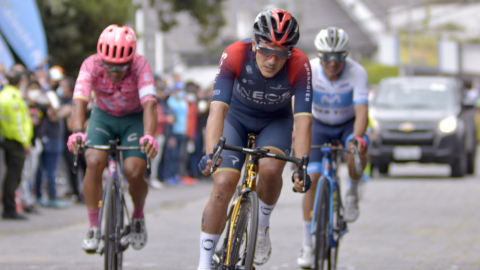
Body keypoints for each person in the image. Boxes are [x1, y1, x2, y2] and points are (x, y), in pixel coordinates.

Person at [196, 8, 313, 270]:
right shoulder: (235, 53)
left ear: (291, 52)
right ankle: (204, 264)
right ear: (254, 43)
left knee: (271, 169)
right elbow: (217, 110)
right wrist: (210, 153)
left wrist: (301, 166)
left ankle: (261, 226)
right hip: (235, 119)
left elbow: (303, 119)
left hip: (275, 123)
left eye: (282, 52)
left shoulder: (300, 64)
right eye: (266, 50)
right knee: (223, 184)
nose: (272, 59)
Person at [67, 24, 158, 253]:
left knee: (134, 170)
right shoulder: (90, 64)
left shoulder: (140, 65)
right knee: (94, 161)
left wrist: (149, 135)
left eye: (121, 67)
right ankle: (93, 225)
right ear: (101, 59)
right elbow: (79, 100)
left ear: (131, 60)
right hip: (103, 116)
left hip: (133, 118)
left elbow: (149, 105)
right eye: (109, 66)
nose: (115, 72)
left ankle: (137, 215)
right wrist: (77, 130)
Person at [296, 27, 369, 268]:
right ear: (319, 56)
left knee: (357, 150)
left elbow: (361, 112)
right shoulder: (310, 70)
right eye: (326, 56)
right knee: (312, 178)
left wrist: (355, 140)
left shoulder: (357, 73)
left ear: (345, 56)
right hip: (318, 125)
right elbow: (299, 108)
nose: (332, 63)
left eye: (338, 57)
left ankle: (352, 191)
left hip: (347, 124)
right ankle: (307, 244)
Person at [0, 69, 33, 220]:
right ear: (21, 82)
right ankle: (10, 208)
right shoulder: (14, 98)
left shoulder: (4, 94)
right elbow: (18, 124)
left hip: (7, 140)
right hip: (16, 141)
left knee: (10, 175)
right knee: (14, 176)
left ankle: (9, 206)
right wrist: (25, 142)